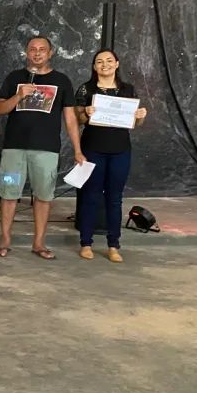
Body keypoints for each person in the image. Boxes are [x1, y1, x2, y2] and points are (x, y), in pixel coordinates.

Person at [0, 35, 85, 259]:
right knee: (8, 193)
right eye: (32, 49)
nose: (37, 53)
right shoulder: (15, 77)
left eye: (42, 49)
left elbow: (70, 118)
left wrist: (77, 149)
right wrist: (19, 95)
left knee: (44, 196)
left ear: (50, 52)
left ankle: (39, 242)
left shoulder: (61, 80)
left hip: (46, 150)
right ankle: (5, 239)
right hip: (14, 149)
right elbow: (0, 109)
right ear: (27, 52)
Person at [74, 49, 147, 262]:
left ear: (117, 64)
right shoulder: (86, 88)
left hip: (120, 150)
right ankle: (86, 243)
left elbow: (135, 123)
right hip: (93, 148)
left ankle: (113, 245)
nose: (104, 64)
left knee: (115, 199)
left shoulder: (127, 89)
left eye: (108, 61)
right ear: (94, 67)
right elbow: (77, 119)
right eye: (99, 61)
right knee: (90, 196)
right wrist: (85, 113)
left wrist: (141, 116)